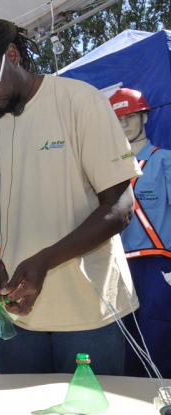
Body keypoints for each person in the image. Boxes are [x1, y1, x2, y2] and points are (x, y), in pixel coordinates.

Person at [0, 16, 141, 375]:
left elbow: (120, 206)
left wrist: (46, 260)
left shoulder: (79, 102)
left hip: (91, 312)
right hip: (17, 318)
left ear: (13, 55)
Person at [109, 88, 171, 379]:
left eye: (130, 116)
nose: (124, 125)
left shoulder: (165, 161)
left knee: (159, 340)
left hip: (157, 267)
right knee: (123, 343)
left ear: (145, 116)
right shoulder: (106, 172)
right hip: (117, 267)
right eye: (117, 119)